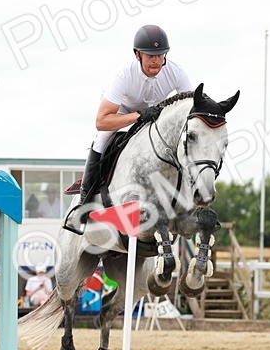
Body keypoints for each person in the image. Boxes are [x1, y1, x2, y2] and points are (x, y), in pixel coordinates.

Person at [62, 24, 193, 234]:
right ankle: (83, 203)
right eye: (150, 55)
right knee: (101, 139)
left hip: (154, 116)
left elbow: (190, 108)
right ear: (137, 55)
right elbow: (102, 121)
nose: (156, 60)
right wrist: (138, 116)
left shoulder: (176, 72)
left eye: (160, 55)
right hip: (120, 113)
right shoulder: (123, 77)